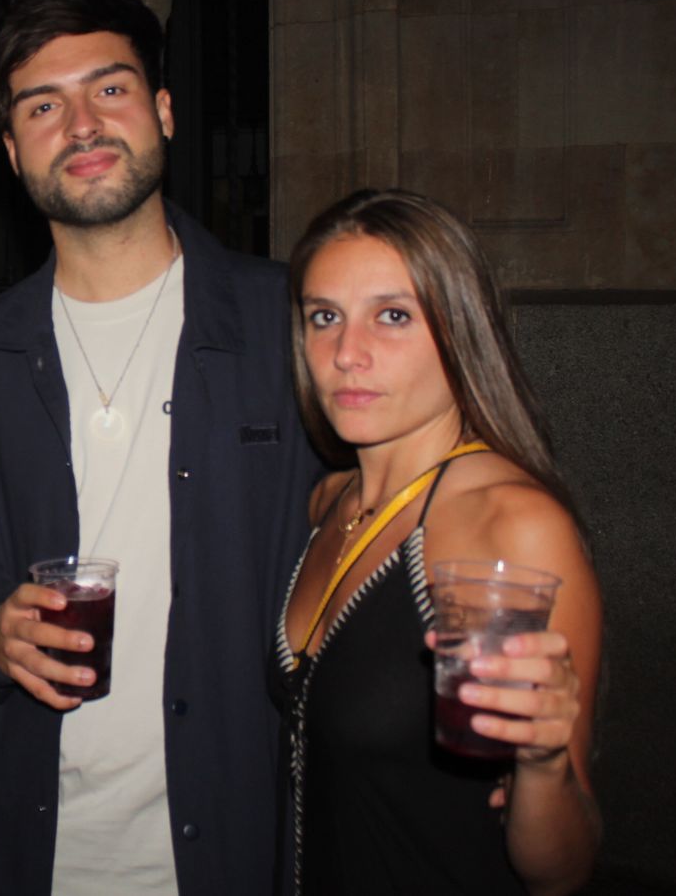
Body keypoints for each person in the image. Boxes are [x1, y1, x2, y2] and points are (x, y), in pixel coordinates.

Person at [0, 0, 320, 894]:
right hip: (34, 847)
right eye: (42, 107)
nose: (82, 124)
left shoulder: (286, 323)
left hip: (240, 843)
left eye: (110, 88)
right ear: (11, 152)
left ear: (163, 111)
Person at [274, 188, 601, 894]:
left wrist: (543, 766)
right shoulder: (330, 502)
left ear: (461, 328)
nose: (347, 353)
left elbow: (563, 870)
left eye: (393, 316)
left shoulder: (511, 525)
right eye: (323, 316)